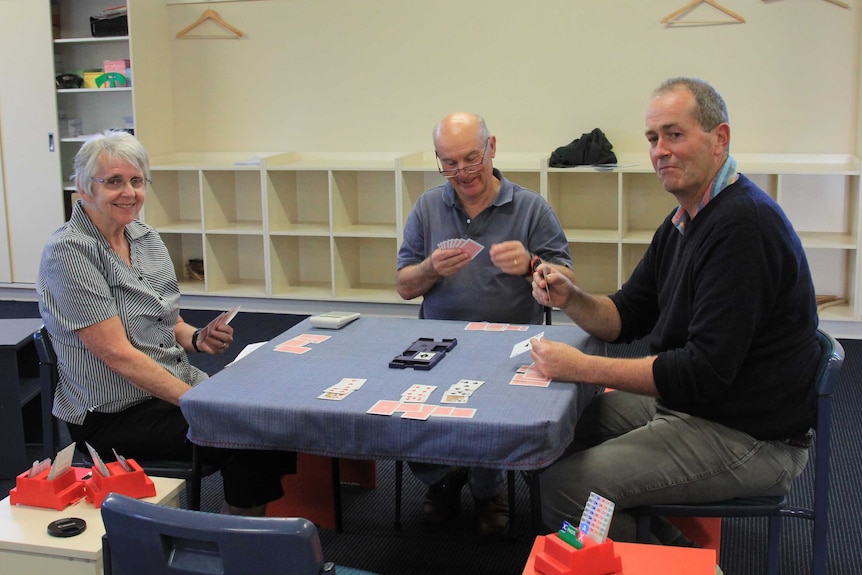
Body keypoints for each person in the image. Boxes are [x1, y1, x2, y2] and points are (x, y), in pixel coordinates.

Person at [529, 77, 820, 544]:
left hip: (751, 436)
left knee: (562, 490)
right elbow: (625, 316)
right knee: (549, 433)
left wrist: (583, 367)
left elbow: (701, 372)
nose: (660, 150)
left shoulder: (744, 227)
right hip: (706, 407)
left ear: (719, 139)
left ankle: (686, 562)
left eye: (674, 134)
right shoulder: (687, 218)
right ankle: (656, 540)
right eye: (652, 138)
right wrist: (572, 298)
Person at [37, 130, 296, 516]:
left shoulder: (144, 237)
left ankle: (243, 529)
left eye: (136, 181)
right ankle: (237, 539)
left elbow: (163, 316)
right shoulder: (69, 253)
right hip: (113, 413)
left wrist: (197, 338)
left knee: (268, 414)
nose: (129, 192)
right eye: (113, 182)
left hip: (170, 391)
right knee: (247, 434)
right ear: (82, 187)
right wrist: (196, 401)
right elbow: (117, 354)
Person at [396, 112, 577, 537]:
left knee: (494, 411)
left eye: (471, 158)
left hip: (510, 349)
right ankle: (443, 478)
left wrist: (534, 265)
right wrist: (430, 269)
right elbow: (405, 286)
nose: (462, 172)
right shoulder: (427, 206)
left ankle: (486, 489)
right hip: (438, 344)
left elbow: (567, 281)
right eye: (450, 163)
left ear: (492, 148)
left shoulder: (531, 207)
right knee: (405, 402)